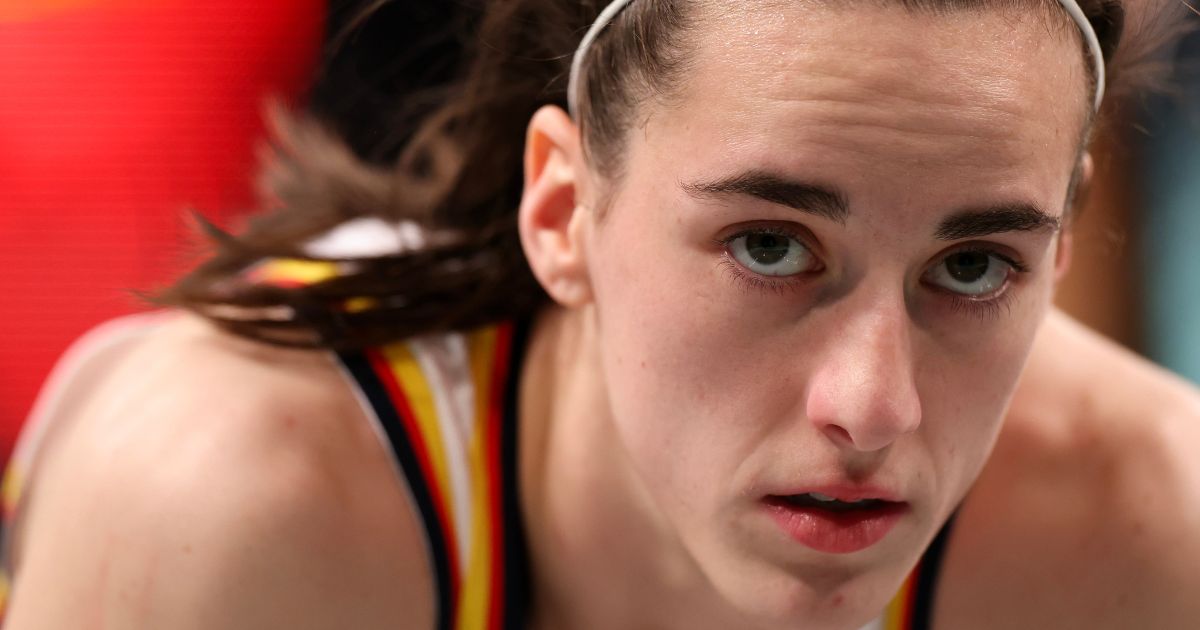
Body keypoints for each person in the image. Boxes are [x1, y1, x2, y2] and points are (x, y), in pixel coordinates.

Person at [1, 0, 1197, 629]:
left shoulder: (1144, 528)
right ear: (564, 210)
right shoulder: (228, 503)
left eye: (977, 265)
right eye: (770, 246)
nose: (876, 408)